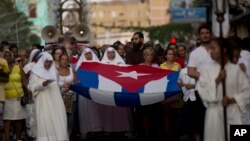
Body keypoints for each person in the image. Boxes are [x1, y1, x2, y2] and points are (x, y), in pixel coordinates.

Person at [197, 38, 250, 141]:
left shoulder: (236, 70)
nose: (210, 51)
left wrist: (232, 99)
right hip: (214, 116)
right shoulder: (206, 70)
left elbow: (247, 91)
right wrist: (217, 81)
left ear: (224, 50)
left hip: (234, 114)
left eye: (213, 48)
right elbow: (202, 91)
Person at [28, 52, 68, 141]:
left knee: (57, 119)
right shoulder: (35, 71)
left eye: (50, 62)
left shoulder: (53, 71)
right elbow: (31, 86)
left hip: (55, 100)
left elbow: (56, 84)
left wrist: (63, 85)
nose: (48, 64)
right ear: (42, 61)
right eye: (46, 61)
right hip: (43, 100)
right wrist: (42, 84)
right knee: (44, 120)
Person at [187, 24, 213, 141]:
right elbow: (190, 71)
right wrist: (207, 77)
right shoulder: (195, 53)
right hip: (201, 90)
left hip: (219, 89)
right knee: (202, 120)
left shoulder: (218, 50)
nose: (205, 35)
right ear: (199, 36)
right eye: (202, 33)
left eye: (207, 32)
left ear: (211, 34)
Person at [100, 47, 131, 137]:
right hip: (108, 91)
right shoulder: (103, 64)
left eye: (112, 52)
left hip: (119, 90)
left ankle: (121, 129)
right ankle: (109, 130)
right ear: (106, 54)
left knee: (120, 110)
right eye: (109, 53)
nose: (111, 54)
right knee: (109, 111)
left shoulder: (121, 63)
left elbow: (126, 76)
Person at [75, 48, 103, 139]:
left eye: (90, 54)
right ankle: (89, 130)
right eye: (86, 54)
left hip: (96, 91)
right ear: (83, 55)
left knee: (96, 111)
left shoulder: (98, 65)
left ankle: (98, 130)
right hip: (84, 92)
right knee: (85, 111)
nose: (88, 56)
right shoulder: (79, 66)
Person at [2, 51, 27, 141]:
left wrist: (27, 92)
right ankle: (8, 139)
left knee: (18, 119)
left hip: (18, 96)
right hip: (5, 97)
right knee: (7, 120)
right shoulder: (1, 68)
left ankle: (18, 138)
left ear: (12, 57)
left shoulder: (18, 67)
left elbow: (24, 81)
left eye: (9, 55)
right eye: (5, 56)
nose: (7, 57)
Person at [58, 54, 78, 140]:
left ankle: (68, 137)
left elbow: (77, 83)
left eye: (66, 59)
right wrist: (62, 86)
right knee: (60, 118)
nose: (65, 61)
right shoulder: (55, 71)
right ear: (59, 61)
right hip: (59, 98)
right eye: (62, 59)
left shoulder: (72, 70)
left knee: (70, 119)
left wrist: (71, 85)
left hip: (71, 98)